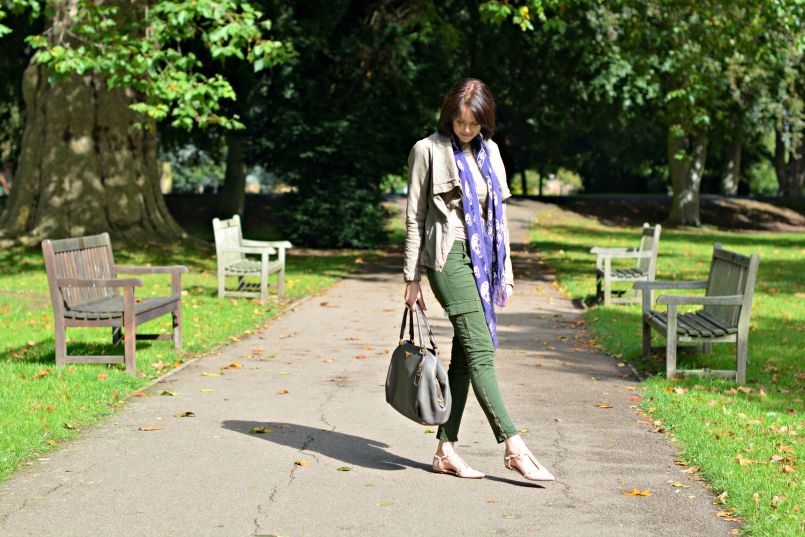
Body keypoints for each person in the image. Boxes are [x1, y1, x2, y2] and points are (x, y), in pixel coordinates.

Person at [403, 78, 554, 482]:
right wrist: (412, 277)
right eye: (459, 121)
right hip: (446, 257)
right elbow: (415, 217)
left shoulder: (492, 153)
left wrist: (504, 269)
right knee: (481, 348)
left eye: (473, 123)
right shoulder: (427, 150)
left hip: (481, 260)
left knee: (468, 357)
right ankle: (514, 446)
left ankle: (445, 450)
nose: (466, 130)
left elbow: (497, 220)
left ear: (485, 121)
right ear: (448, 115)